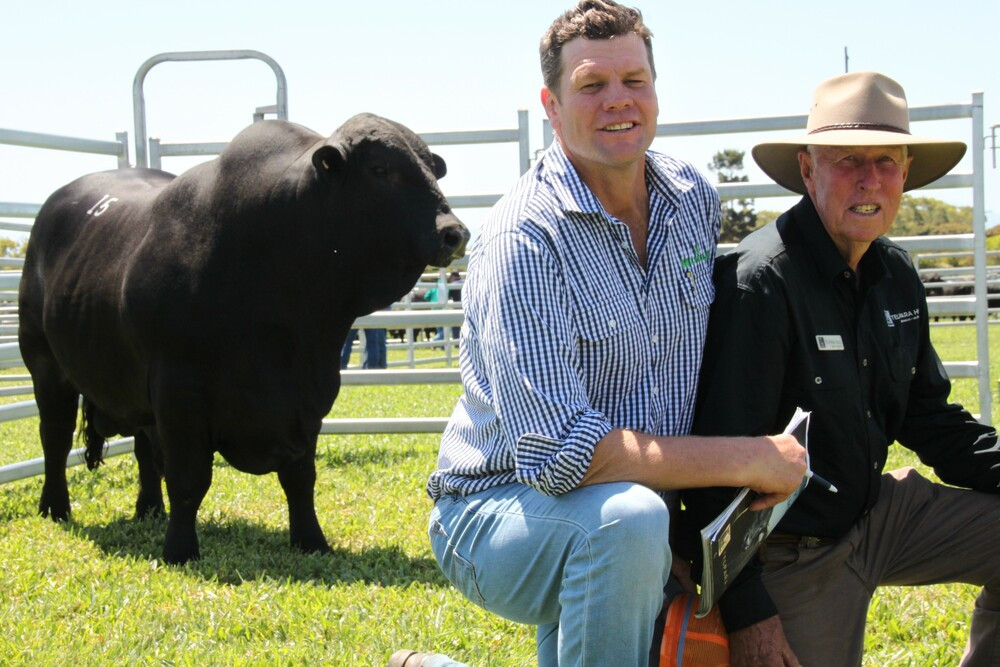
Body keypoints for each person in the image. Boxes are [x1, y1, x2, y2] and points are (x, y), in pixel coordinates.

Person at [419, 2, 807, 665]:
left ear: (656, 88)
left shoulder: (692, 199)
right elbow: (560, 459)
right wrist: (745, 457)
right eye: (591, 86)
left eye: (634, 81)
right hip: (496, 510)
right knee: (628, 523)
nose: (617, 102)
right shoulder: (524, 240)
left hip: (624, 512)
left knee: (628, 524)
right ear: (551, 103)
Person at [682, 71, 1000, 666]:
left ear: (906, 172)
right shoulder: (760, 284)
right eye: (848, 159)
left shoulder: (896, 274)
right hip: (786, 549)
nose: (869, 178)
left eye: (886, 160)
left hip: (874, 511)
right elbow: (713, 470)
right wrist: (748, 611)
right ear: (808, 170)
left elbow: (928, 417)